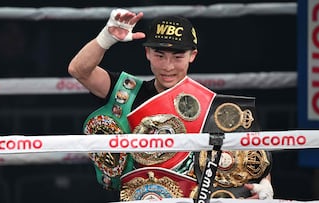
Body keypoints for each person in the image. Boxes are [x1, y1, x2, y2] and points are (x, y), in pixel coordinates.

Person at [68, 8, 273, 201]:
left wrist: (264, 184)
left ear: (192, 56)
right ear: (147, 53)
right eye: (160, 56)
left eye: (177, 57)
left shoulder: (212, 106)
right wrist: (106, 38)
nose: (168, 66)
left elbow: (251, 158)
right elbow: (79, 70)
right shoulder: (128, 92)